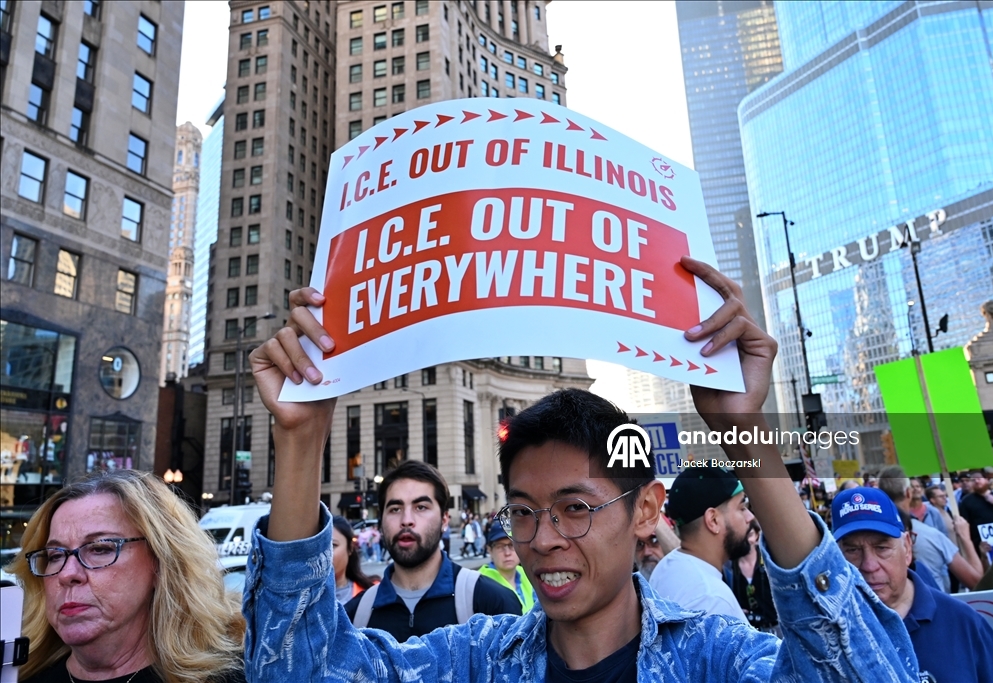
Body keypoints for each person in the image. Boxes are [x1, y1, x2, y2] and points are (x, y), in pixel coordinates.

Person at [243, 257, 921, 682]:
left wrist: (747, 436)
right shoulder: (476, 660)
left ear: (647, 510)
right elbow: (303, 669)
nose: (541, 539)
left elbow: (865, 671)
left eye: (575, 507)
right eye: (524, 510)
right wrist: (300, 446)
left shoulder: (715, 658)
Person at [9, 469, 244, 683]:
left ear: (162, 563)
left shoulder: (228, 676)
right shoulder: (17, 676)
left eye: (100, 549)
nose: (68, 574)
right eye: (54, 555)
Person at [831, 486, 993, 683]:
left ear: (907, 547)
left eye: (882, 548)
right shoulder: (826, 631)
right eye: (852, 550)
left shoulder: (963, 622)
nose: (869, 565)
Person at [341, 460, 520, 640]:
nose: (406, 520)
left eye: (421, 507)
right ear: (382, 522)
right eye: (395, 509)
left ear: (444, 520)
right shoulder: (353, 618)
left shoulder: (494, 605)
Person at [648, 467, 752, 620]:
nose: (749, 517)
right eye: (742, 508)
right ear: (713, 520)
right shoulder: (712, 599)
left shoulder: (666, 568)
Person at [877, 465, 983, 592]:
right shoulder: (931, 536)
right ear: (908, 493)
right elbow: (977, 583)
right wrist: (966, 538)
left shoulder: (869, 538)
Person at [728, 522, 777, 633]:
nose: (746, 541)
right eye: (742, 536)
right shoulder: (728, 568)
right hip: (746, 631)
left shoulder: (769, 560)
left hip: (774, 628)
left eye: (749, 535)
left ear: (756, 536)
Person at [478, 524, 536, 615]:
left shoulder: (526, 573)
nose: (507, 553)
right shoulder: (480, 582)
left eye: (512, 545)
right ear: (490, 550)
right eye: (500, 547)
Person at [959, 470, 993, 554]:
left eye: (979, 478)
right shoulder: (966, 501)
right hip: (981, 547)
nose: (976, 481)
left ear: (986, 480)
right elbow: (965, 525)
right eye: (973, 480)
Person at [331, 516, 379, 602]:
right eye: (318, 547)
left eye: (333, 545)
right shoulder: (301, 601)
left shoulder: (373, 593)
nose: (324, 554)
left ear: (350, 548)